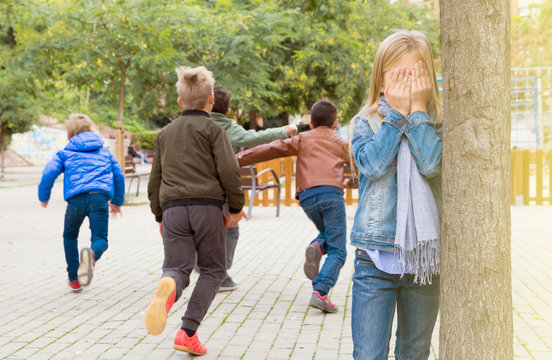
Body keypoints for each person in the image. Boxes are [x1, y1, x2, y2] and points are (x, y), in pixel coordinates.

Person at [349, 29, 443, 359]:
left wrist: (416, 112)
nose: (405, 83)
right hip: (375, 260)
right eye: (397, 76)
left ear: (428, 78)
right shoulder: (367, 122)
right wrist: (398, 117)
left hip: (423, 261)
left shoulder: (435, 122)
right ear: (380, 80)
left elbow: (431, 164)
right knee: (369, 353)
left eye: (413, 75)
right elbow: (373, 166)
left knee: (415, 352)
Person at [145, 66, 246, 356]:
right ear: (211, 100)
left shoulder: (164, 134)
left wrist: (159, 214)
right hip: (207, 208)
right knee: (214, 269)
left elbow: (155, 179)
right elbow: (229, 170)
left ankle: (167, 288)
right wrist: (236, 206)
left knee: (177, 268)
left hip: (173, 209)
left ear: (179, 102)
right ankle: (188, 331)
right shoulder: (214, 130)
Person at [237, 100, 350, 313]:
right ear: (335, 124)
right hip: (331, 196)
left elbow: (270, 149)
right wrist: (351, 182)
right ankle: (321, 291)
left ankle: (317, 246)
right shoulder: (341, 143)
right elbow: (361, 166)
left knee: (328, 234)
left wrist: (237, 159)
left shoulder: (302, 139)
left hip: (308, 198)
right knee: (338, 249)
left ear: (312, 123)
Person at [210, 85, 297, 291]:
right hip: (218, 191)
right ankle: (219, 274)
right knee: (231, 229)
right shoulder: (226, 128)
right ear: (228, 110)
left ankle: (202, 265)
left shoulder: (192, 124)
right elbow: (254, 138)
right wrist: (286, 131)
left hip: (189, 190)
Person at [38, 113, 124, 292]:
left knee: (70, 236)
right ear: (91, 130)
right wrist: (116, 201)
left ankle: (74, 279)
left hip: (75, 201)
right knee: (100, 239)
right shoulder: (104, 151)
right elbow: (119, 175)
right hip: (99, 198)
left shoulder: (65, 152)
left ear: (68, 136)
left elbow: (49, 172)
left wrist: (43, 197)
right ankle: (92, 254)